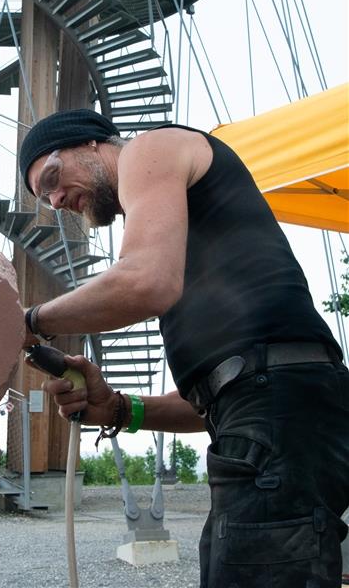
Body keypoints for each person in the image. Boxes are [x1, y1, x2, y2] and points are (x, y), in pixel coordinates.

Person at [18, 108, 349, 588]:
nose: (57, 197)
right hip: (281, 418)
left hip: (281, 416)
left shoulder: (149, 148)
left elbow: (147, 282)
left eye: (52, 175)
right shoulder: (183, 237)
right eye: (45, 198)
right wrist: (116, 409)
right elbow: (217, 401)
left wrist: (31, 322)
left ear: (91, 143)